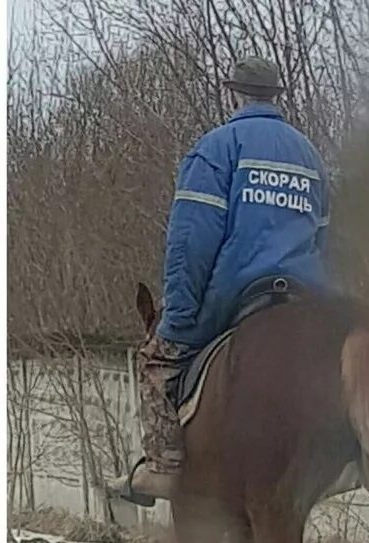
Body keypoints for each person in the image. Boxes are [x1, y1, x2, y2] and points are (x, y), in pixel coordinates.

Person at [113, 55, 331, 507]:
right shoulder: (309, 155)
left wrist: (180, 316)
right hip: (306, 298)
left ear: (234, 93)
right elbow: (324, 238)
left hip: (237, 293)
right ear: (275, 96)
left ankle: (163, 469)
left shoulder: (218, 148)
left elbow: (191, 242)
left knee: (156, 361)